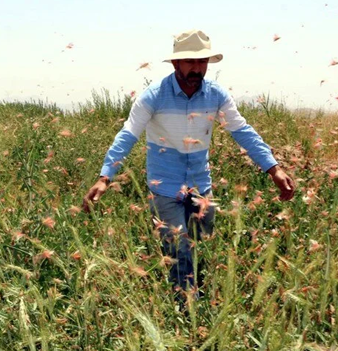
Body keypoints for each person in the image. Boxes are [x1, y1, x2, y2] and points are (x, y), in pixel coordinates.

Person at [83, 29, 295, 306]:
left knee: (201, 245)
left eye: (202, 62)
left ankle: (195, 299)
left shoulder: (216, 95)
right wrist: (105, 177)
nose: (197, 69)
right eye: (190, 62)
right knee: (180, 249)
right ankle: (187, 313)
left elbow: (242, 132)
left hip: (200, 186)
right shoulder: (154, 96)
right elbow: (128, 135)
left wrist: (273, 168)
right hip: (165, 187)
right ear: (175, 63)